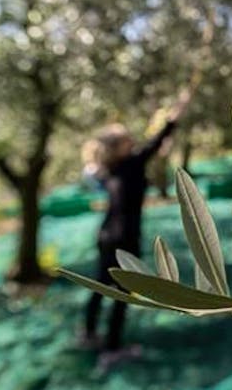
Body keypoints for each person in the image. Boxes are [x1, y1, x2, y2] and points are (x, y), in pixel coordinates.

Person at [79, 86, 194, 368]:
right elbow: (156, 142)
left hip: (106, 235)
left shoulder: (112, 169)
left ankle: (89, 334)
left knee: (100, 286)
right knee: (122, 293)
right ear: (119, 147)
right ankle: (112, 349)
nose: (132, 141)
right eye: (127, 139)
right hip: (125, 237)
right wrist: (176, 114)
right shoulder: (130, 164)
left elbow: (152, 151)